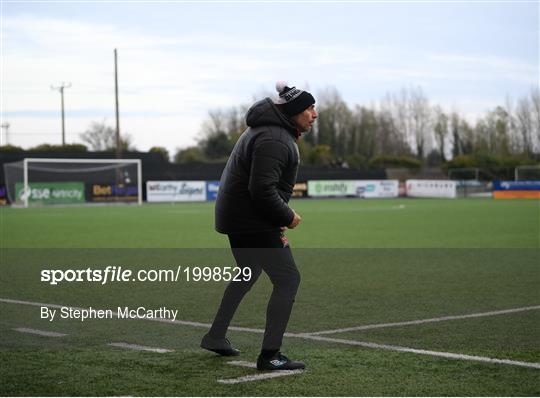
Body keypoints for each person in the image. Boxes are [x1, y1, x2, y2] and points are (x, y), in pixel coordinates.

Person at [200, 81, 317, 371]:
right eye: (309, 108)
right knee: (288, 279)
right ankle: (270, 355)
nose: (314, 114)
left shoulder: (268, 131)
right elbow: (262, 190)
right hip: (252, 219)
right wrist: (287, 217)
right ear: (293, 112)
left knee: (248, 272)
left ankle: (215, 335)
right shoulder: (275, 139)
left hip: (241, 218)